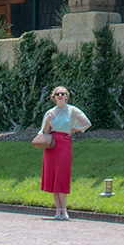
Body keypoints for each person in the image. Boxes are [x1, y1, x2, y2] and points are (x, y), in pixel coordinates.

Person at [39, 85, 90, 220]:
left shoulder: (72, 110)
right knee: (53, 177)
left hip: (64, 143)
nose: (60, 96)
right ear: (54, 97)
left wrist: (74, 129)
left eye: (62, 94)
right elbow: (45, 132)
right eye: (57, 94)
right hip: (51, 145)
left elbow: (86, 123)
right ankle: (58, 210)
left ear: (67, 96)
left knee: (62, 175)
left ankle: (64, 209)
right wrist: (48, 122)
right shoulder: (50, 112)